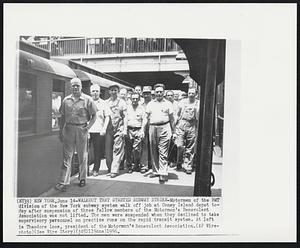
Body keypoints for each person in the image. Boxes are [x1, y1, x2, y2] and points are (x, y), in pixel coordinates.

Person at [55, 78, 97, 192]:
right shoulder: (65, 100)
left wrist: (87, 128)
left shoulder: (87, 100)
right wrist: (61, 131)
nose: (75, 87)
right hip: (68, 129)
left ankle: (82, 178)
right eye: (73, 85)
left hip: (81, 129)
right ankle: (63, 181)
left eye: (77, 85)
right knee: (67, 157)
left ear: (81, 87)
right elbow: (62, 117)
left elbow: (94, 116)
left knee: (82, 156)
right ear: (70, 87)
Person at [145, 84, 176, 183]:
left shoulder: (168, 104)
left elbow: (172, 119)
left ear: (164, 92)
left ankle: (163, 173)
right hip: (152, 127)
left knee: (163, 150)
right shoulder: (150, 104)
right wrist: (142, 130)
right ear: (154, 92)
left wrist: (174, 132)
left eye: (160, 92)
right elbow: (145, 118)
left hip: (165, 127)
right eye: (157, 92)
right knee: (153, 149)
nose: (159, 93)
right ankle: (156, 171)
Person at [174, 87, 199, 174]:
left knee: (190, 147)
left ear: (196, 94)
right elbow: (177, 114)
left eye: (193, 93)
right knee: (179, 145)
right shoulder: (182, 102)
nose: (191, 95)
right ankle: (179, 162)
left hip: (192, 125)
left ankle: (188, 165)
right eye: (189, 93)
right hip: (182, 124)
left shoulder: (198, 103)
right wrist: (175, 126)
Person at [105, 85, 127, 178]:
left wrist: (124, 129)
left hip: (119, 128)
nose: (113, 92)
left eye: (115, 90)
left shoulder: (122, 102)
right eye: (112, 90)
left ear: (118, 92)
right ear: (109, 91)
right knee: (108, 150)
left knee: (117, 149)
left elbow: (125, 116)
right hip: (108, 129)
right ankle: (110, 168)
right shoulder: (106, 102)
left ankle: (114, 170)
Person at [89, 84, 110, 177]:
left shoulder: (103, 103)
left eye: (97, 91)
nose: (95, 93)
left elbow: (108, 117)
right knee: (85, 151)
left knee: (97, 151)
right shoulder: (87, 102)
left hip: (99, 130)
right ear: (90, 92)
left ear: (99, 92)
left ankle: (95, 170)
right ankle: (85, 170)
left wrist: (104, 128)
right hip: (87, 130)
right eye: (93, 91)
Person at [125, 93, 146, 173]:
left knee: (136, 149)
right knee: (128, 149)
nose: (134, 100)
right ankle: (129, 166)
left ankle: (137, 164)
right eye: (133, 98)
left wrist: (142, 130)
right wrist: (125, 130)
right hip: (129, 130)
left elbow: (144, 119)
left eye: (136, 99)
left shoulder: (142, 108)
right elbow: (125, 119)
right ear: (130, 99)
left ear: (139, 99)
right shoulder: (127, 108)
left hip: (138, 130)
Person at [165, 90, 179, 168]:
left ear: (173, 96)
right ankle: (166, 160)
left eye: (171, 95)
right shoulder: (164, 103)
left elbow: (177, 116)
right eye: (168, 95)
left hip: (175, 126)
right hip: (166, 126)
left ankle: (173, 160)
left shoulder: (176, 104)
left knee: (174, 144)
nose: (169, 97)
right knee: (166, 144)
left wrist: (174, 126)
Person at [140, 86, 152, 173]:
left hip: (153, 126)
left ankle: (152, 163)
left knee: (153, 145)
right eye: (144, 93)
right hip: (144, 127)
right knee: (144, 146)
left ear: (151, 94)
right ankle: (144, 165)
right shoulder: (141, 105)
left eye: (148, 93)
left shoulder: (153, 103)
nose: (146, 95)